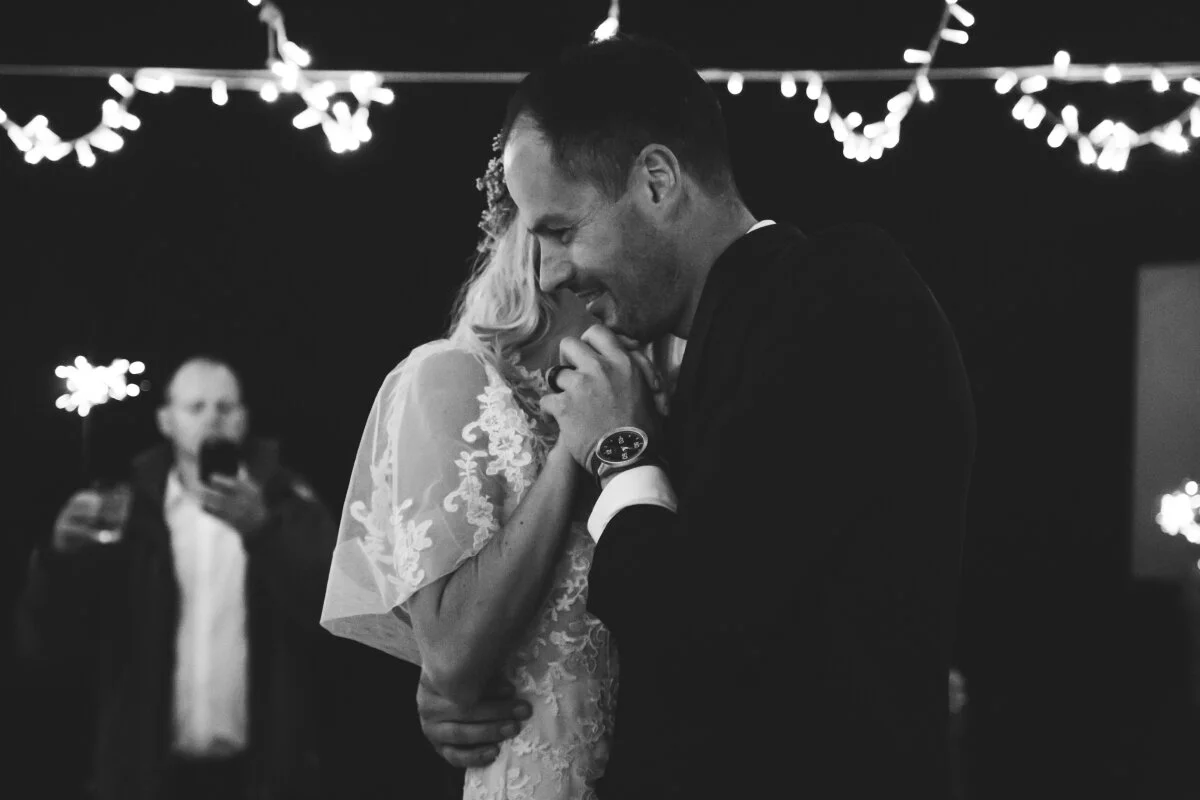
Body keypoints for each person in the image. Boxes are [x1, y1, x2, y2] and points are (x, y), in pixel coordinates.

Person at [416, 34, 977, 800]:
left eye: (560, 229)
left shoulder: (842, 294)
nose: (546, 270)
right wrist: (477, 690)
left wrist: (620, 452)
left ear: (656, 180)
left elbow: (707, 633)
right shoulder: (677, 346)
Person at [320, 151, 675, 799]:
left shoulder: (657, 388)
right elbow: (452, 659)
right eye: (562, 234)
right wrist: (574, 445)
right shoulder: (450, 380)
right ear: (530, 250)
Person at [14, 356, 338, 800]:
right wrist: (57, 558)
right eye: (196, 406)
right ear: (165, 420)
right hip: (145, 775)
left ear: (243, 419)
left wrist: (265, 531)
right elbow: (53, 638)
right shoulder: (128, 510)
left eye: (225, 406)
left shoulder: (286, 500)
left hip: (264, 776)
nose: (212, 418)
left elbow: (333, 617)